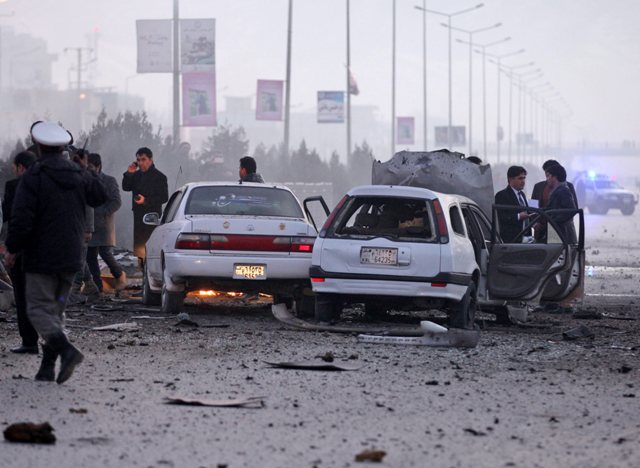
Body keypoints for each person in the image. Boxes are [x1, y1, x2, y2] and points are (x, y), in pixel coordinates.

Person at [4, 121, 107, 383]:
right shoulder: (78, 174)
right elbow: (99, 196)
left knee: (38, 309)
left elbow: (22, 218)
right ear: (63, 147)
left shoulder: (34, 177)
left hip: (42, 258)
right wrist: (87, 169)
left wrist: (12, 249)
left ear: (38, 147)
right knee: (56, 311)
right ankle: (47, 367)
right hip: (71, 257)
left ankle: (66, 351)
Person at [3, 150, 38, 354]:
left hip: (23, 250)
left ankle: (29, 341)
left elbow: (11, 218)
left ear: (21, 167)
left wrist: (11, 249)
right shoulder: (47, 185)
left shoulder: (14, 186)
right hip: (45, 249)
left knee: (23, 296)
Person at [87, 152, 126, 293]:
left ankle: (119, 275)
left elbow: (116, 201)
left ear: (98, 166)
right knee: (90, 256)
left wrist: (102, 212)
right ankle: (97, 286)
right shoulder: (85, 180)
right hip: (89, 224)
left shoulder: (109, 181)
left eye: (90, 167)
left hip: (103, 225)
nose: (88, 170)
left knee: (105, 253)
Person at [121, 147, 168, 263]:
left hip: (152, 217)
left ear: (150, 160)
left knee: (151, 245)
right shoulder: (136, 175)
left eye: (143, 159)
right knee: (139, 247)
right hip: (138, 216)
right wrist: (129, 173)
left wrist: (145, 200)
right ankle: (142, 269)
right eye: (138, 160)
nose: (141, 163)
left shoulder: (160, 177)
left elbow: (164, 197)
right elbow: (126, 187)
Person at [494, 165, 531, 243]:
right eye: (520, 178)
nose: (523, 181)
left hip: (526, 238)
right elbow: (501, 217)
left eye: (524, 178)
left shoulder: (522, 195)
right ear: (510, 179)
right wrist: (518, 216)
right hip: (511, 240)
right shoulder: (502, 195)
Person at [543, 164, 578, 244]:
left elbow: (571, 210)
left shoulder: (563, 190)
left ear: (554, 177)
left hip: (563, 235)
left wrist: (554, 220)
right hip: (558, 234)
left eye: (548, 176)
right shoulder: (558, 190)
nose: (547, 179)